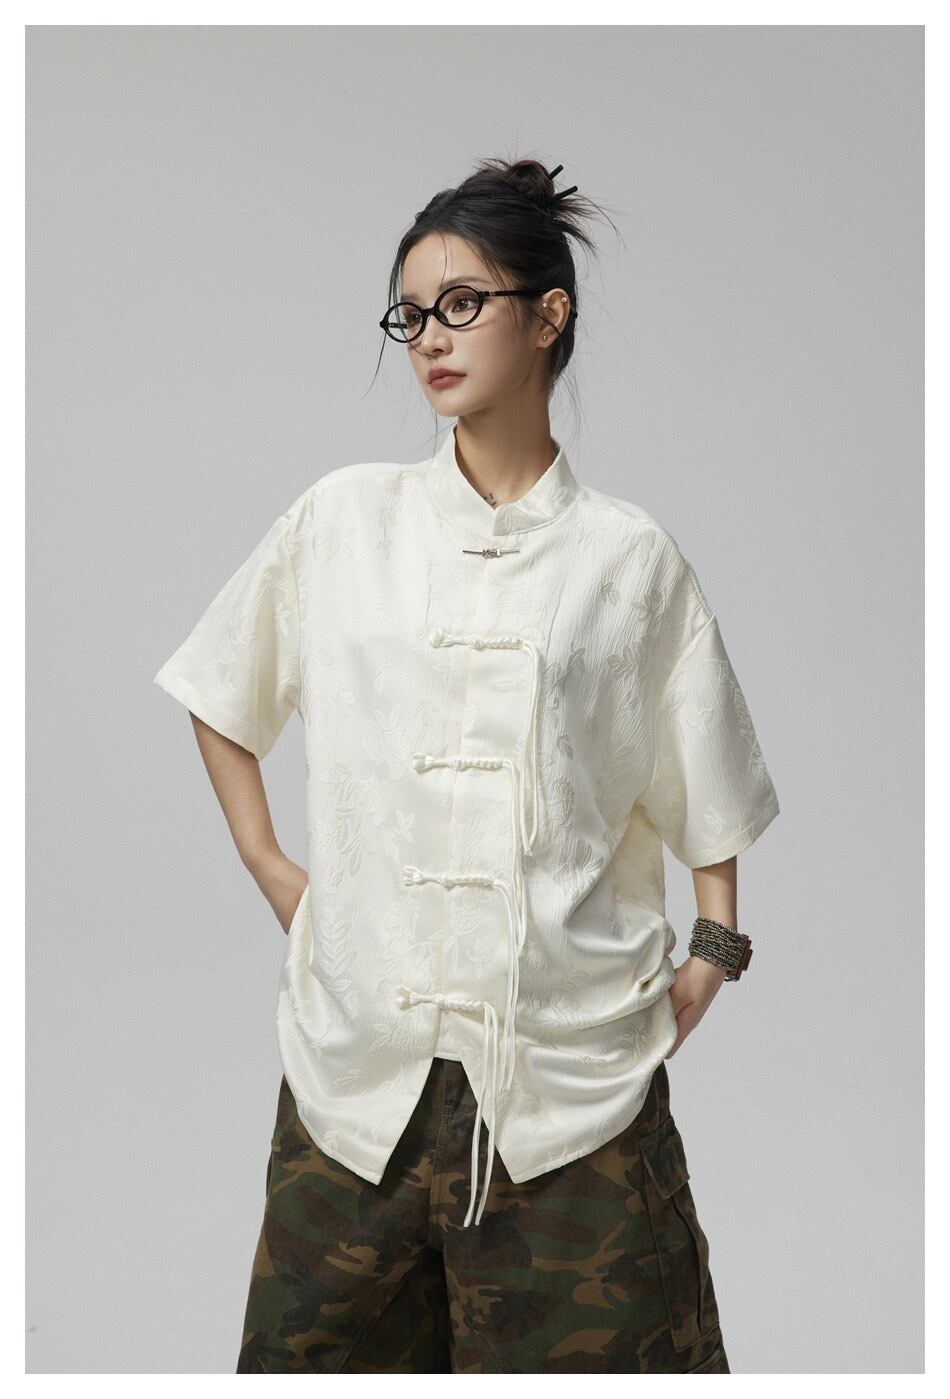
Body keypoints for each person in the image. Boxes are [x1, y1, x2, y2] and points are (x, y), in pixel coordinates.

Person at [153, 156, 780, 1374]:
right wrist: (275, 869)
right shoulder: (341, 522)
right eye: (410, 315)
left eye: (460, 303)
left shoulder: (627, 560)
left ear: (547, 316)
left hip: (569, 1098)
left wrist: (712, 945)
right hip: (356, 1095)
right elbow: (221, 688)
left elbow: (701, 768)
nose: (429, 338)